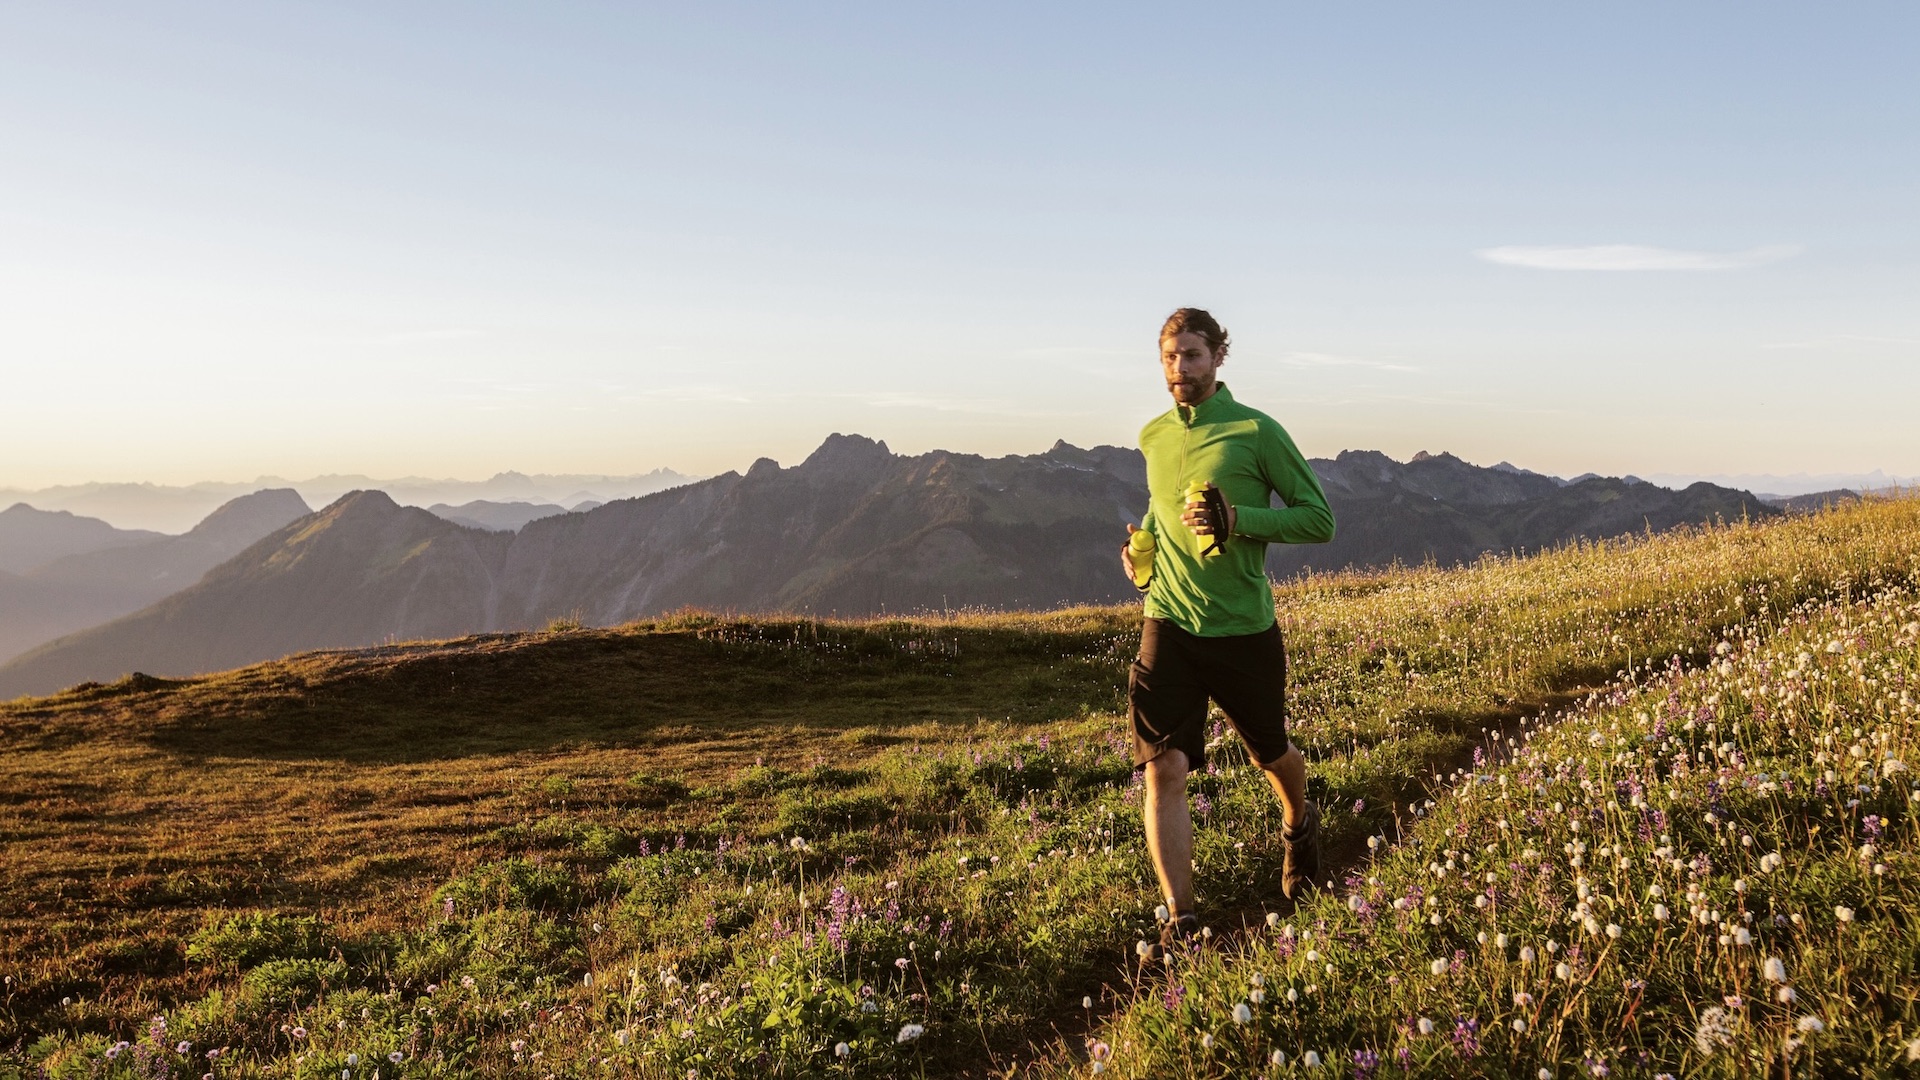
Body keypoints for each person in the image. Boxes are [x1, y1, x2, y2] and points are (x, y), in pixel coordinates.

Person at [1121, 307, 1336, 956]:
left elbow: (1317, 520)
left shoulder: (1256, 431)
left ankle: (1299, 823)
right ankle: (1181, 921)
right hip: (1169, 623)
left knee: (1271, 754)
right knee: (1164, 770)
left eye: (1191, 355)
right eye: (1168, 357)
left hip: (1243, 628)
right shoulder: (1153, 436)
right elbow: (1160, 519)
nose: (1178, 368)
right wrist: (1141, 560)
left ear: (1218, 357)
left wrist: (1240, 519)